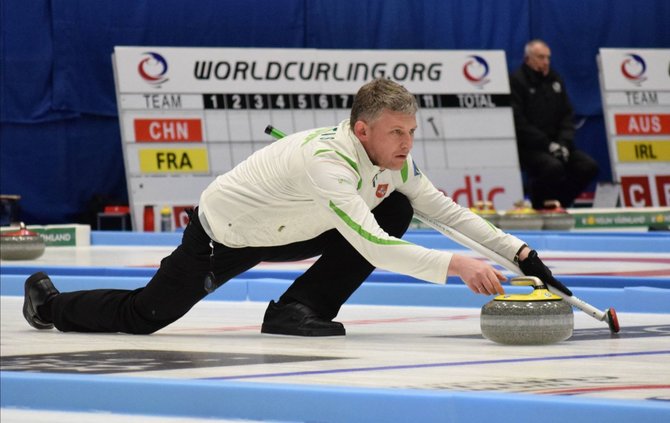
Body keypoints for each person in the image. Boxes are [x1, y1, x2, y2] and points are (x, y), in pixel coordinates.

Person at [23, 79, 570, 337]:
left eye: (411, 131)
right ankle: (48, 306)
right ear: (362, 130)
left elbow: (447, 213)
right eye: (395, 132)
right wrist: (459, 266)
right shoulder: (325, 162)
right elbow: (371, 246)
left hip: (297, 226)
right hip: (228, 233)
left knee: (398, 208)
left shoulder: (394, 164)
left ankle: (295, 311)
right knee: (146, 317)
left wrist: (521, 252)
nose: (406, 143)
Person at [510, 39, 599, 209]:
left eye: (548, 58)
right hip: (530, 147)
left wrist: (563, 143)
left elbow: (567, 115)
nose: (546, 62)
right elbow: (519, 123)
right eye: (541, 57)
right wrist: (548, 145)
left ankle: (559, 204)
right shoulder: (517, 81)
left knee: (588, 166)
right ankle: (539, 204)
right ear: (528, 59)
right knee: (552, 167)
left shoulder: (555, 79)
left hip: (559, 144)